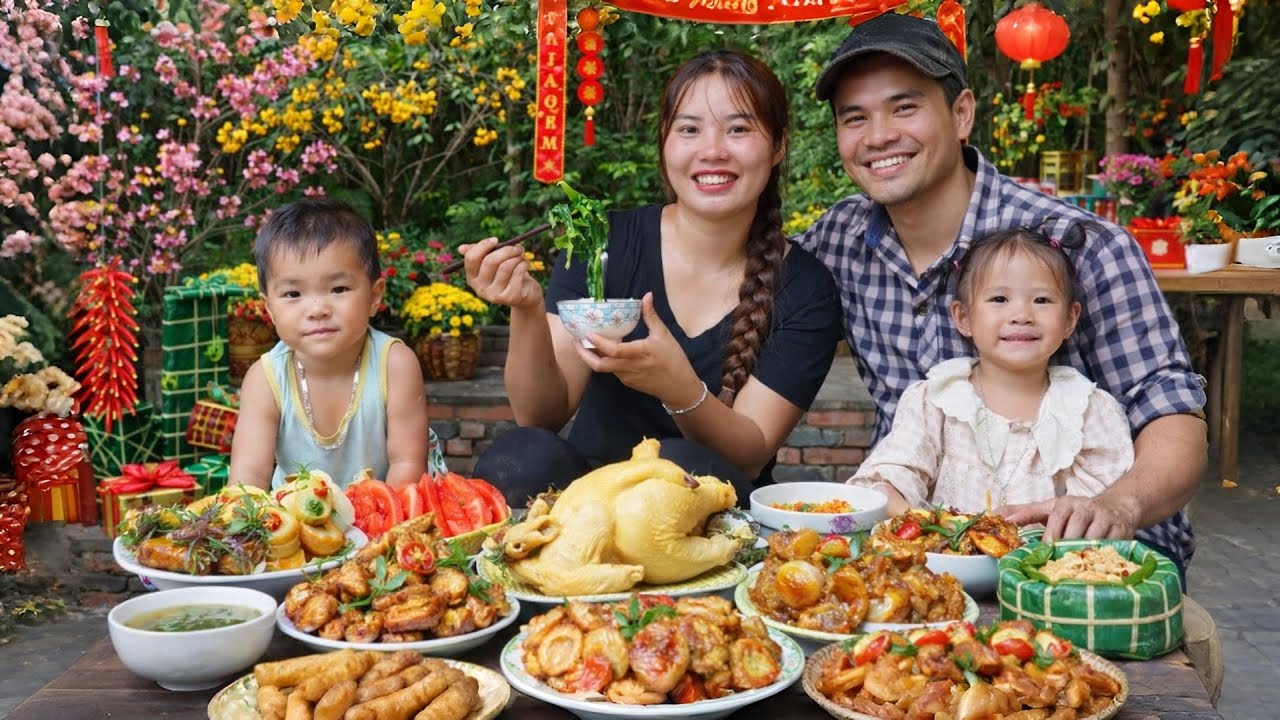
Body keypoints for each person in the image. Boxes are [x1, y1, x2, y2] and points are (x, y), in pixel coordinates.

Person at [798, 12, 1207, 578]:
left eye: (904, 107)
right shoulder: (840, 240)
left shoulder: (1079, 245)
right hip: (926, 551)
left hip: (1090, 556)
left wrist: (1116, 506)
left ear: (961, 113)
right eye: (855, 118)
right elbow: (741, 276)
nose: (878, 136)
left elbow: (1172, 413)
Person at [460, 50, 844, 508]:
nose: (712, 150)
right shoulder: (603, 243)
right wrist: (524, 309)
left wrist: (677, 386)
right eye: (689, 129)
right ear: (665, 141)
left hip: (708, 508)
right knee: (520, 453)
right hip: (587, 499)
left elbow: (748, 454)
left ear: (778, 145)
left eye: (739, 129)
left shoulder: (805, 287)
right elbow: (539, 415)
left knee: (677, 463)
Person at [849, 222, 1135, 516]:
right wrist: (923, 522)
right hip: (944, 559)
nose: (1022, 315)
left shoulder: (1088, 410)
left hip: (1048, 559)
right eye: (999, 299)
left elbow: (1096, 510)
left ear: (1070, 319)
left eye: (1042, 300)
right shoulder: (935, 401)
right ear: (963, 317)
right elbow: (890, 478)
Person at [229, 198, 438, 491]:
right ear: (269, 308)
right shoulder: (265, 379)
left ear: (375, 295)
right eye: (292, 294)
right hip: (296, 522)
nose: (317, 309)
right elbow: (248, 476)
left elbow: (407, 467)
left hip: (384, 518)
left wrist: (383, 531)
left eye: (338, 289)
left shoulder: (394, 364)